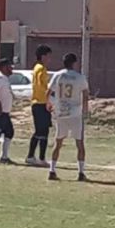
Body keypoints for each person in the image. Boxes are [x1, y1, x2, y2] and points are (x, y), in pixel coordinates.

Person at [47, 53, 90, 182]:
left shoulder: (57, 75)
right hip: (75, 113)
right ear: (74, 63)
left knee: (58, 141)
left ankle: (52, 170)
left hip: (61, 112)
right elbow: (86, 94)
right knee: (79, 143)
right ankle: (81, 172)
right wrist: (85, 110)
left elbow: (48, 91)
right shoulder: (79, 77)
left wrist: (48, 103)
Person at [26, 44, 52, 167]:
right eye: (48, 56)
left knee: (39, 131)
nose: (49, 59)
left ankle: (31, 156)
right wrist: (50, 99)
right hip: (41, 103)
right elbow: (43, 87)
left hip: (37, 103)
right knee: (43, 132)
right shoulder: (42, 69)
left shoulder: (36, 67)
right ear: (43, 56)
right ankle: (40, 158)